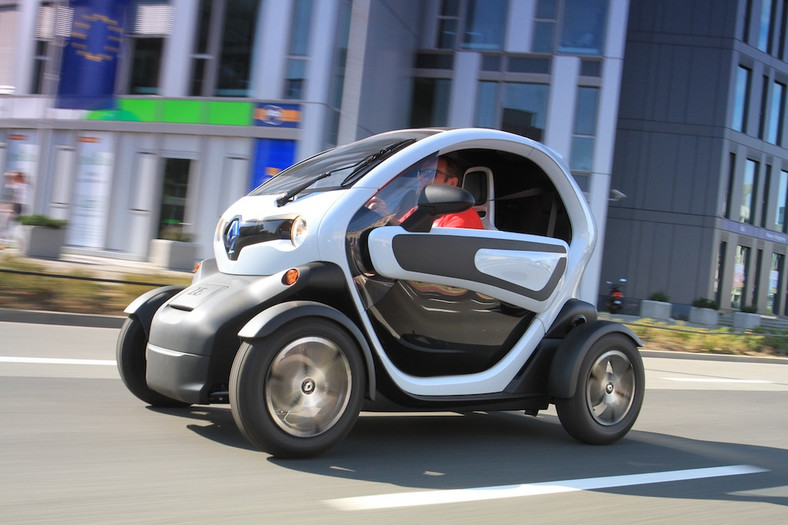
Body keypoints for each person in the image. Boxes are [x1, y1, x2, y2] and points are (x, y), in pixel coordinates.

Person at [368, 155, 484, 230]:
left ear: (452, 183)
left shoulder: (464, 215)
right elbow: (399, 231)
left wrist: (388, 217)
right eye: (421, 172)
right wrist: (380, 214)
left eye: (431, 173)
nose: (421, 178)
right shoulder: (417, 211)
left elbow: (434, 253)